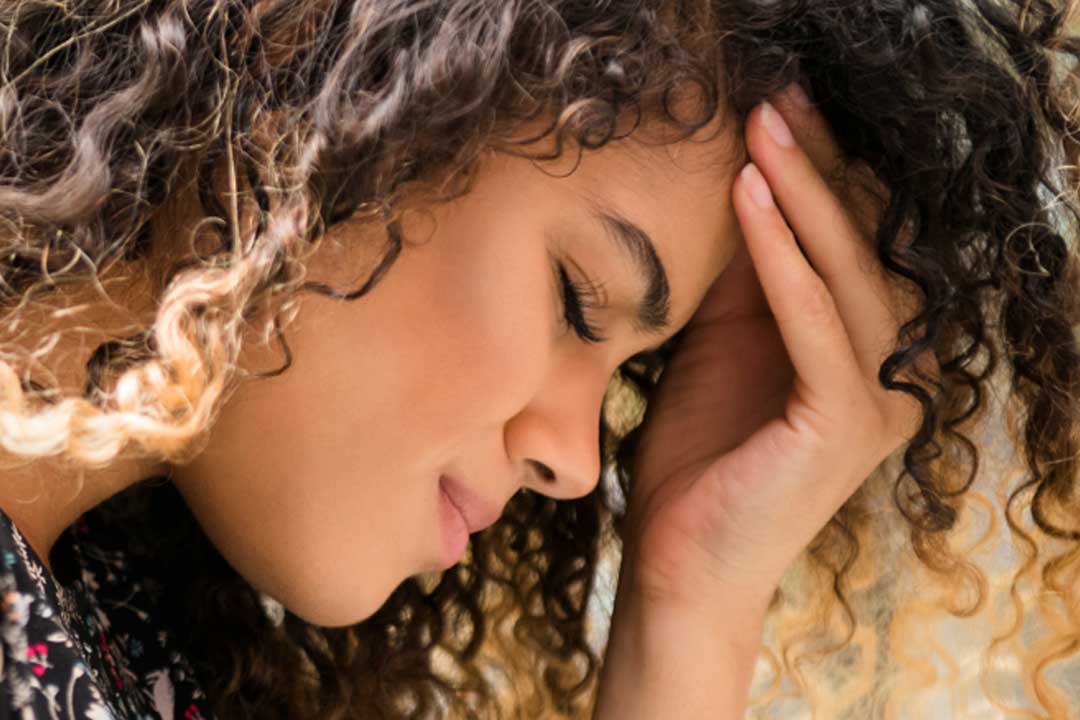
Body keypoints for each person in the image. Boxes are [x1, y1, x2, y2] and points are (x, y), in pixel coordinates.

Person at [0, 0, 1078, 718]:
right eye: (577, 299)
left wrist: (693, 600)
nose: (574, 463)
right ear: (313, 59)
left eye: (633, 373)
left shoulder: (117, 628)